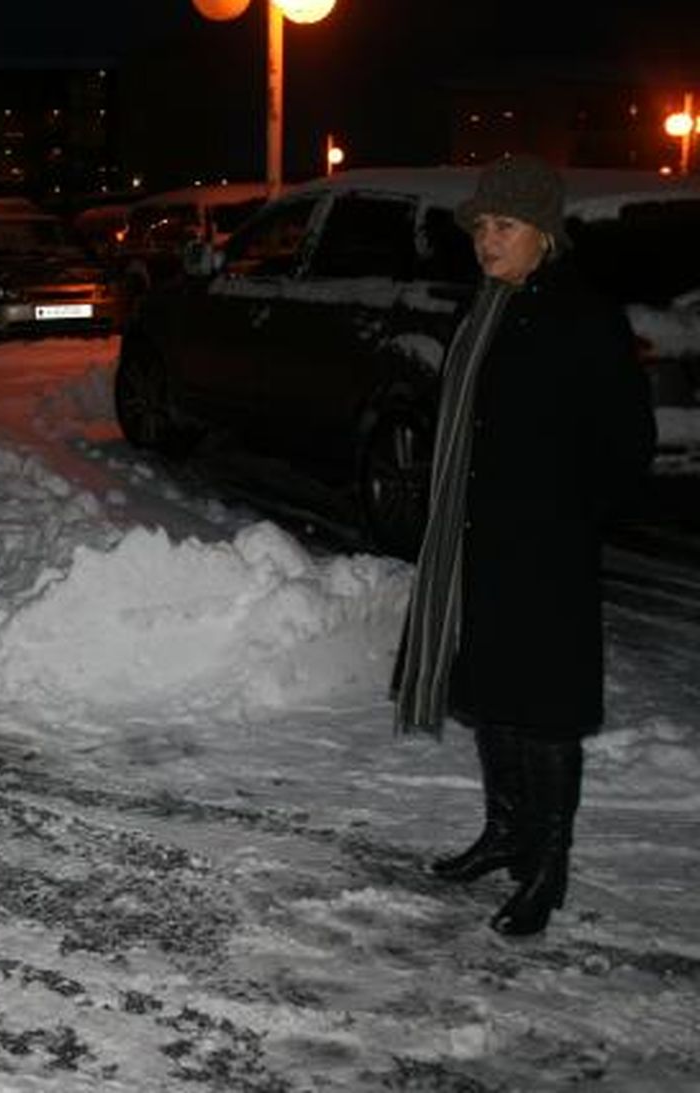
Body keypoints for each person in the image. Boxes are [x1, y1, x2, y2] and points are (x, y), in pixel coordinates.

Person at [393, 154, 655, 937]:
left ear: (545, 232)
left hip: (545, 549)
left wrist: (571, 517)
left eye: (503, 226)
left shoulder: (582, 316)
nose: (486, 240)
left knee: (545, 710)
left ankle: (547, 864)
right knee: (492, 699)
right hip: (480, 540)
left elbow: (626, 442)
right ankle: (504, 832)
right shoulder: (487, 308)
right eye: (480, 226)